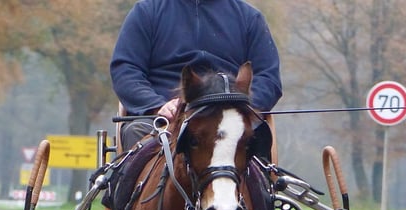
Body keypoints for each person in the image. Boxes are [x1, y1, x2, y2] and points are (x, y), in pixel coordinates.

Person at [110, 0, 283, 151]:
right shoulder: (146, 12)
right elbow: (126, 70)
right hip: (162, 119)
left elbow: (268, 78)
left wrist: (240, 107)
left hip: (230, 118)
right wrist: (156, 106)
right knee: (138, 133)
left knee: (258, 138)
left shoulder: (250, 18)